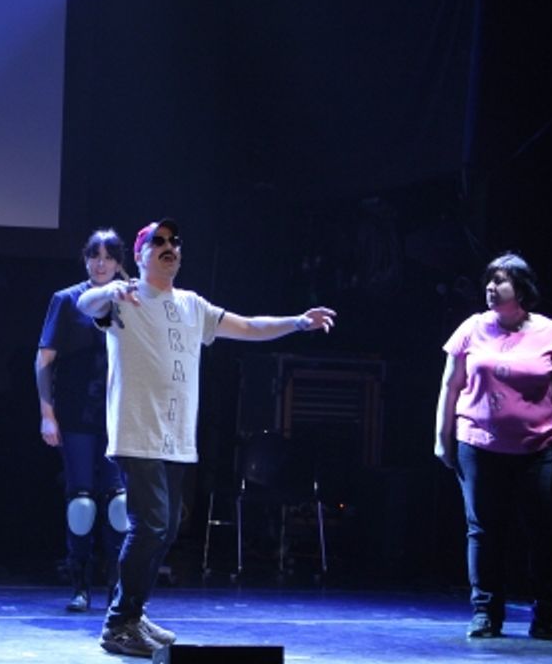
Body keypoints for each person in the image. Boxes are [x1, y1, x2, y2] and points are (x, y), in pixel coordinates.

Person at [77, 218, 336, 658]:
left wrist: (297, 322)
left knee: (168, 526)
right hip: (137, 432)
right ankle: (119, 623)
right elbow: (85, 302)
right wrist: (109, 291)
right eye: (158, 242)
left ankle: (134, 615)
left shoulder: (192, 305)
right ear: (139, 256)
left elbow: (249, 327)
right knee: (152, 524)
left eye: (174, 242)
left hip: (176, 436)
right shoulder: (125, 298)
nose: (169, 247)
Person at [434, 252, 552, 642]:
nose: (490, 287)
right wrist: (442, 437)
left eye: (500, 281)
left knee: (548, 533)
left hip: (538, 448)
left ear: (521, 289)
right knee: (484, 531)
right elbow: (450, 385)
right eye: (489, 280)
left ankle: (550, 616)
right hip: (479, 444)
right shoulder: (471, 328)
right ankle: (486, 613)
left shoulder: (551, 332)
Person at [36, 229, 129, 613]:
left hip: (120, 416)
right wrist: (47, 414)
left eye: (108, 256)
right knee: (82, 503)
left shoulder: (133, 299)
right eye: (94, 255)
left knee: (119, 504)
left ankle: (119, 585)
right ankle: (79, 584)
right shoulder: (67, 300)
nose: (101, 263)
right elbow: (43, 360)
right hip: (75, 414)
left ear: (120, 260)